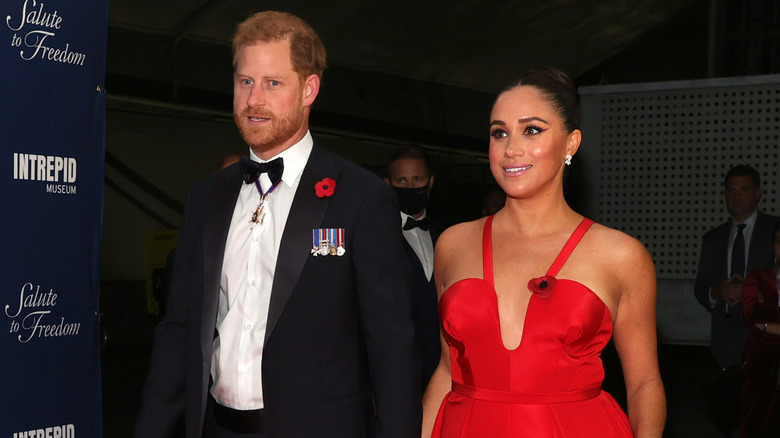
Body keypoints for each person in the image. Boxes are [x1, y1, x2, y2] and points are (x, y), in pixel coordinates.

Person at [133, 11, 421, 438]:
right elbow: (179, 330)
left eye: (273, 83)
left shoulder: (360, 197)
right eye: (245, 81)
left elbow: (392, 347)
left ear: (309, 89)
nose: (253, 100)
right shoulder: (206, 196)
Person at [421, 65, 666, 437]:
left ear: (571, 143)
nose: (511, 148)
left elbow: (644, 382)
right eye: (498, 132)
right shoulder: (453, 244)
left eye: (531, 130)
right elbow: (446, 369)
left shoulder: (620, 255)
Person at [694, 164, 779, 433]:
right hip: (727, 341)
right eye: (731, 191)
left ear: (758, 194)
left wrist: (751, 293)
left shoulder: (774, 230)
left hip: (768, 339)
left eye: (744, 190)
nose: (737, 196)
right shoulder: (714, 237)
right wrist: (717, 292)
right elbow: (701, 288)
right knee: (732, 419)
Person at [384, 146, 442, 391]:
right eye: (402, 180)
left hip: (443, 372)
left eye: (417, 179)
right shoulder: (374, 237)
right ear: (388, 184)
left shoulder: (448, 236)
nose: (409, 187)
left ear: (430, 183)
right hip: (394, 374)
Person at [740, 220, 780, 437]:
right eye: (779, 241)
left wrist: (768, 318)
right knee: (760, 423)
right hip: (763, 365)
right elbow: (751, 312)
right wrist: (763, 319)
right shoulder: (758, 277)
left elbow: (760, 316)